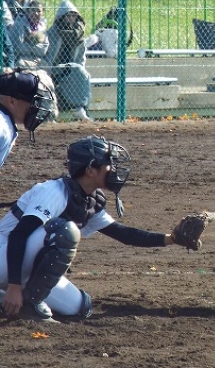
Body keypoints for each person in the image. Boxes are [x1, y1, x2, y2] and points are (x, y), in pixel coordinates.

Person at [0, 135, 188, 322]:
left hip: (24, 268)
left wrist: (171, 239)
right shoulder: (53, 192)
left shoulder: (87, 200)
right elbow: (18, 235)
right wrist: (14, 286)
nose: (114, 169)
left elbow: (123, 234)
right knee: (64, 231)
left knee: (80, 308)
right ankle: (29, 303)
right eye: (109, 164)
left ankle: (8, 299)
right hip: (5, 256)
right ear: (90, 171)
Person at [44, 0, 92, 121]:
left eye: (74, 16)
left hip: (71, 70)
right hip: (54, 69)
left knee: (83, 73)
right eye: (68, 15)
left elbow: (81, 59)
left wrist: (78, 71)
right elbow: (48, 56)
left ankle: (80, 109)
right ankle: (76, 109)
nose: (71, 18)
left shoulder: (79, 36)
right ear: (62, 17)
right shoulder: (52, 33)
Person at [0, 69, 53, 164]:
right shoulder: (2, 127)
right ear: (12, 101)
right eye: (32, 102)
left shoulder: (5, 122)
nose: (35, 107)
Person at [8, 0, 49, 69]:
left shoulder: (43, 26)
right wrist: (36, 46)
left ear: (42, 13)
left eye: (38, 11)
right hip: (21, 58)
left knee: (46, 66)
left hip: (38, 59)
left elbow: (44, 49)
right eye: (33, 10)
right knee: (21, 64)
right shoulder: (19, 24)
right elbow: (18, 47)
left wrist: (27, 43)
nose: (36, 13)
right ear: (28, 11)